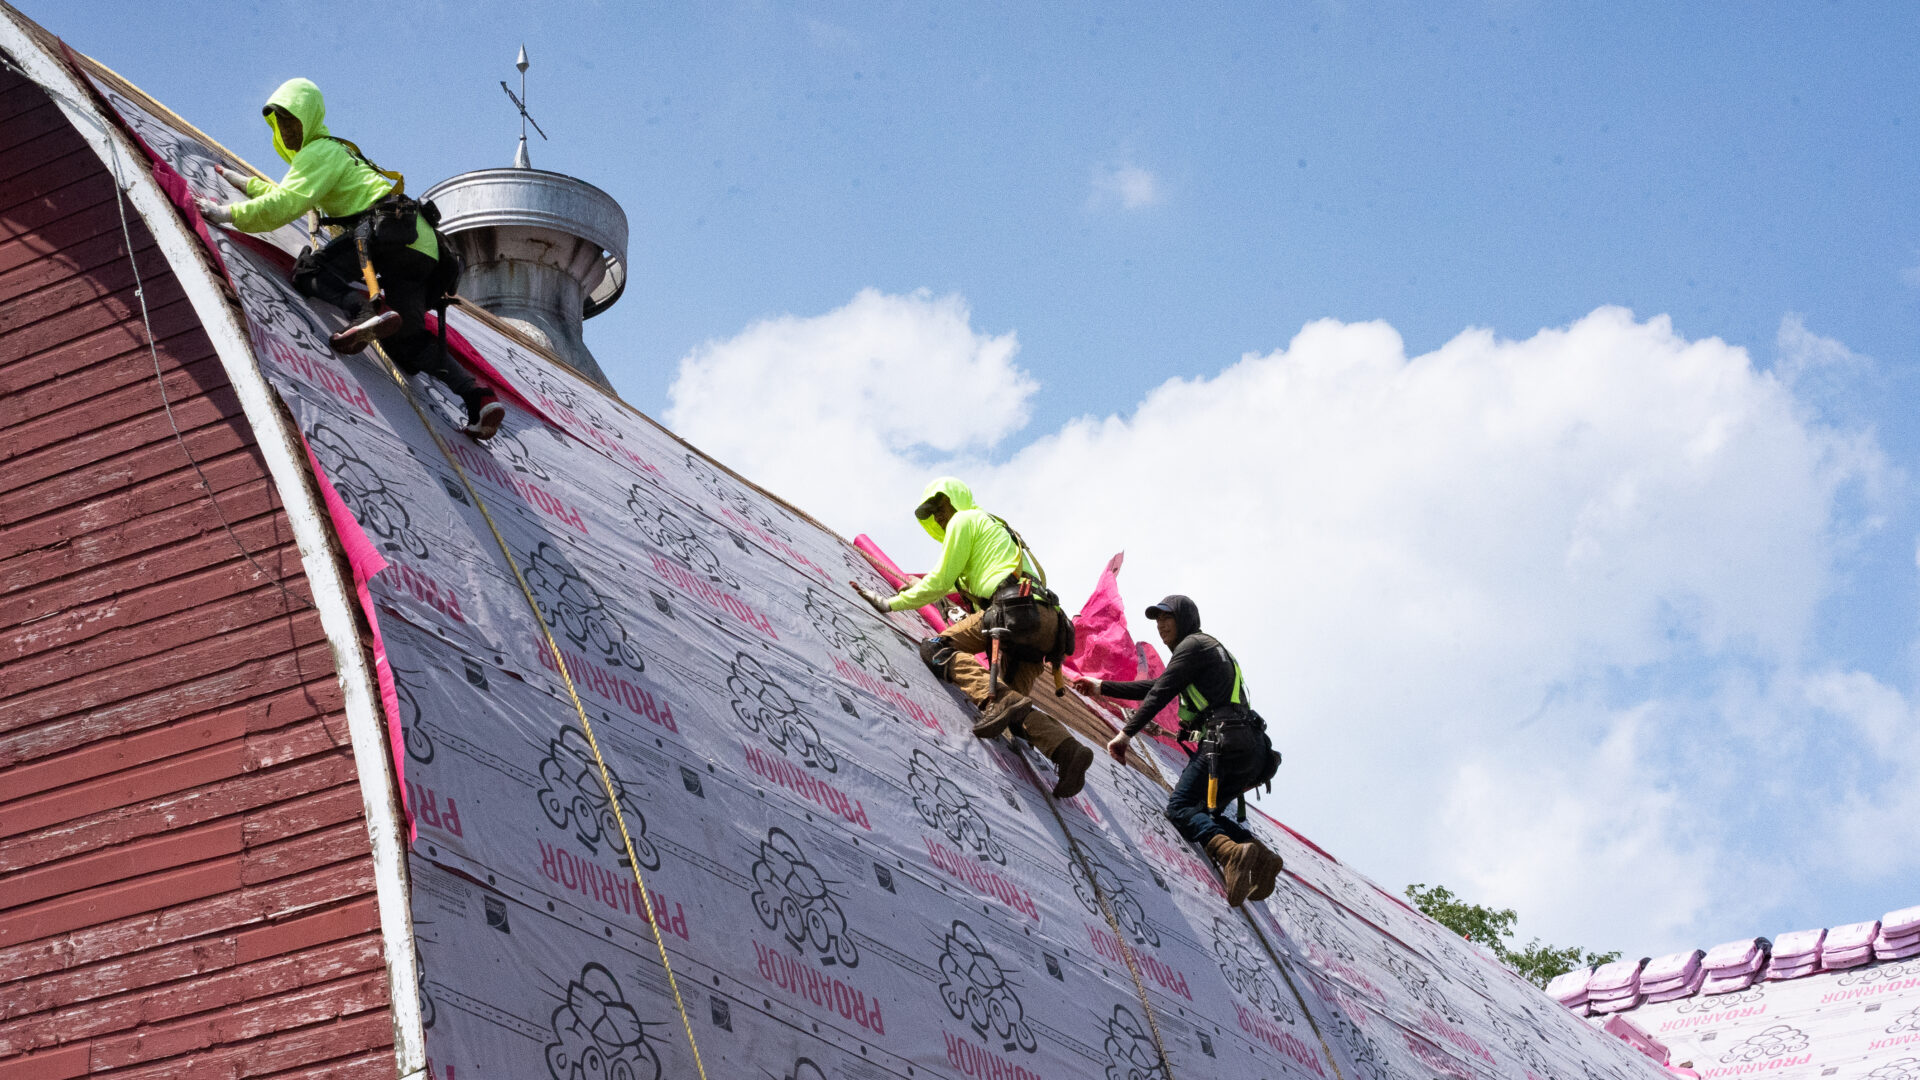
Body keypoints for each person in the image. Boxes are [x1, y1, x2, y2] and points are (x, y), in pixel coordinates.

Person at [192, 78, 503, 439]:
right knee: (407, 340)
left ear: (310, 118)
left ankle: (365, 311)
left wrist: (226, 214)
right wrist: (240, 181)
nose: (287, 131)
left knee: (310, 271)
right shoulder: (338, 152)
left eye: (292, 120)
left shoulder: (318, 151)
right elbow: (289, 193)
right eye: (281, 125)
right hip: (422, 247)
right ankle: (477, 397)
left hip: (384, 233)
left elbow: (285, 205)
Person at [852, 477, 1094, 798]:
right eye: (932, 512)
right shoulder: (993, 530)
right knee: (1014, 720)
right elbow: (957, 586)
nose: (939, 516)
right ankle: (1067, 751)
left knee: (938, 648)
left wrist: (891, 603)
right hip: (1048, 625)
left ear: (957, 500)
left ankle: (999, 700)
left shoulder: (965, 519)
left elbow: (939, 582)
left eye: (942, 506)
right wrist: (918, 585)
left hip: (1015, 612)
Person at [1073, 595, 1283, 907]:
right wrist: (1101, 687)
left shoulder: (1192, 646)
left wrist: (1125, 735)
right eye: (1157, 620)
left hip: (1224, 742)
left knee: (1181, 807)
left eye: (1167, 618)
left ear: (1185, 619)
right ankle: (1258, 854)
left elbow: (1159, 693)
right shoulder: (1206, 650)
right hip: (1252, 748)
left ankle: (1232, 854)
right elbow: (1157, 685)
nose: (1161, 626)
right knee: (1204, 812)